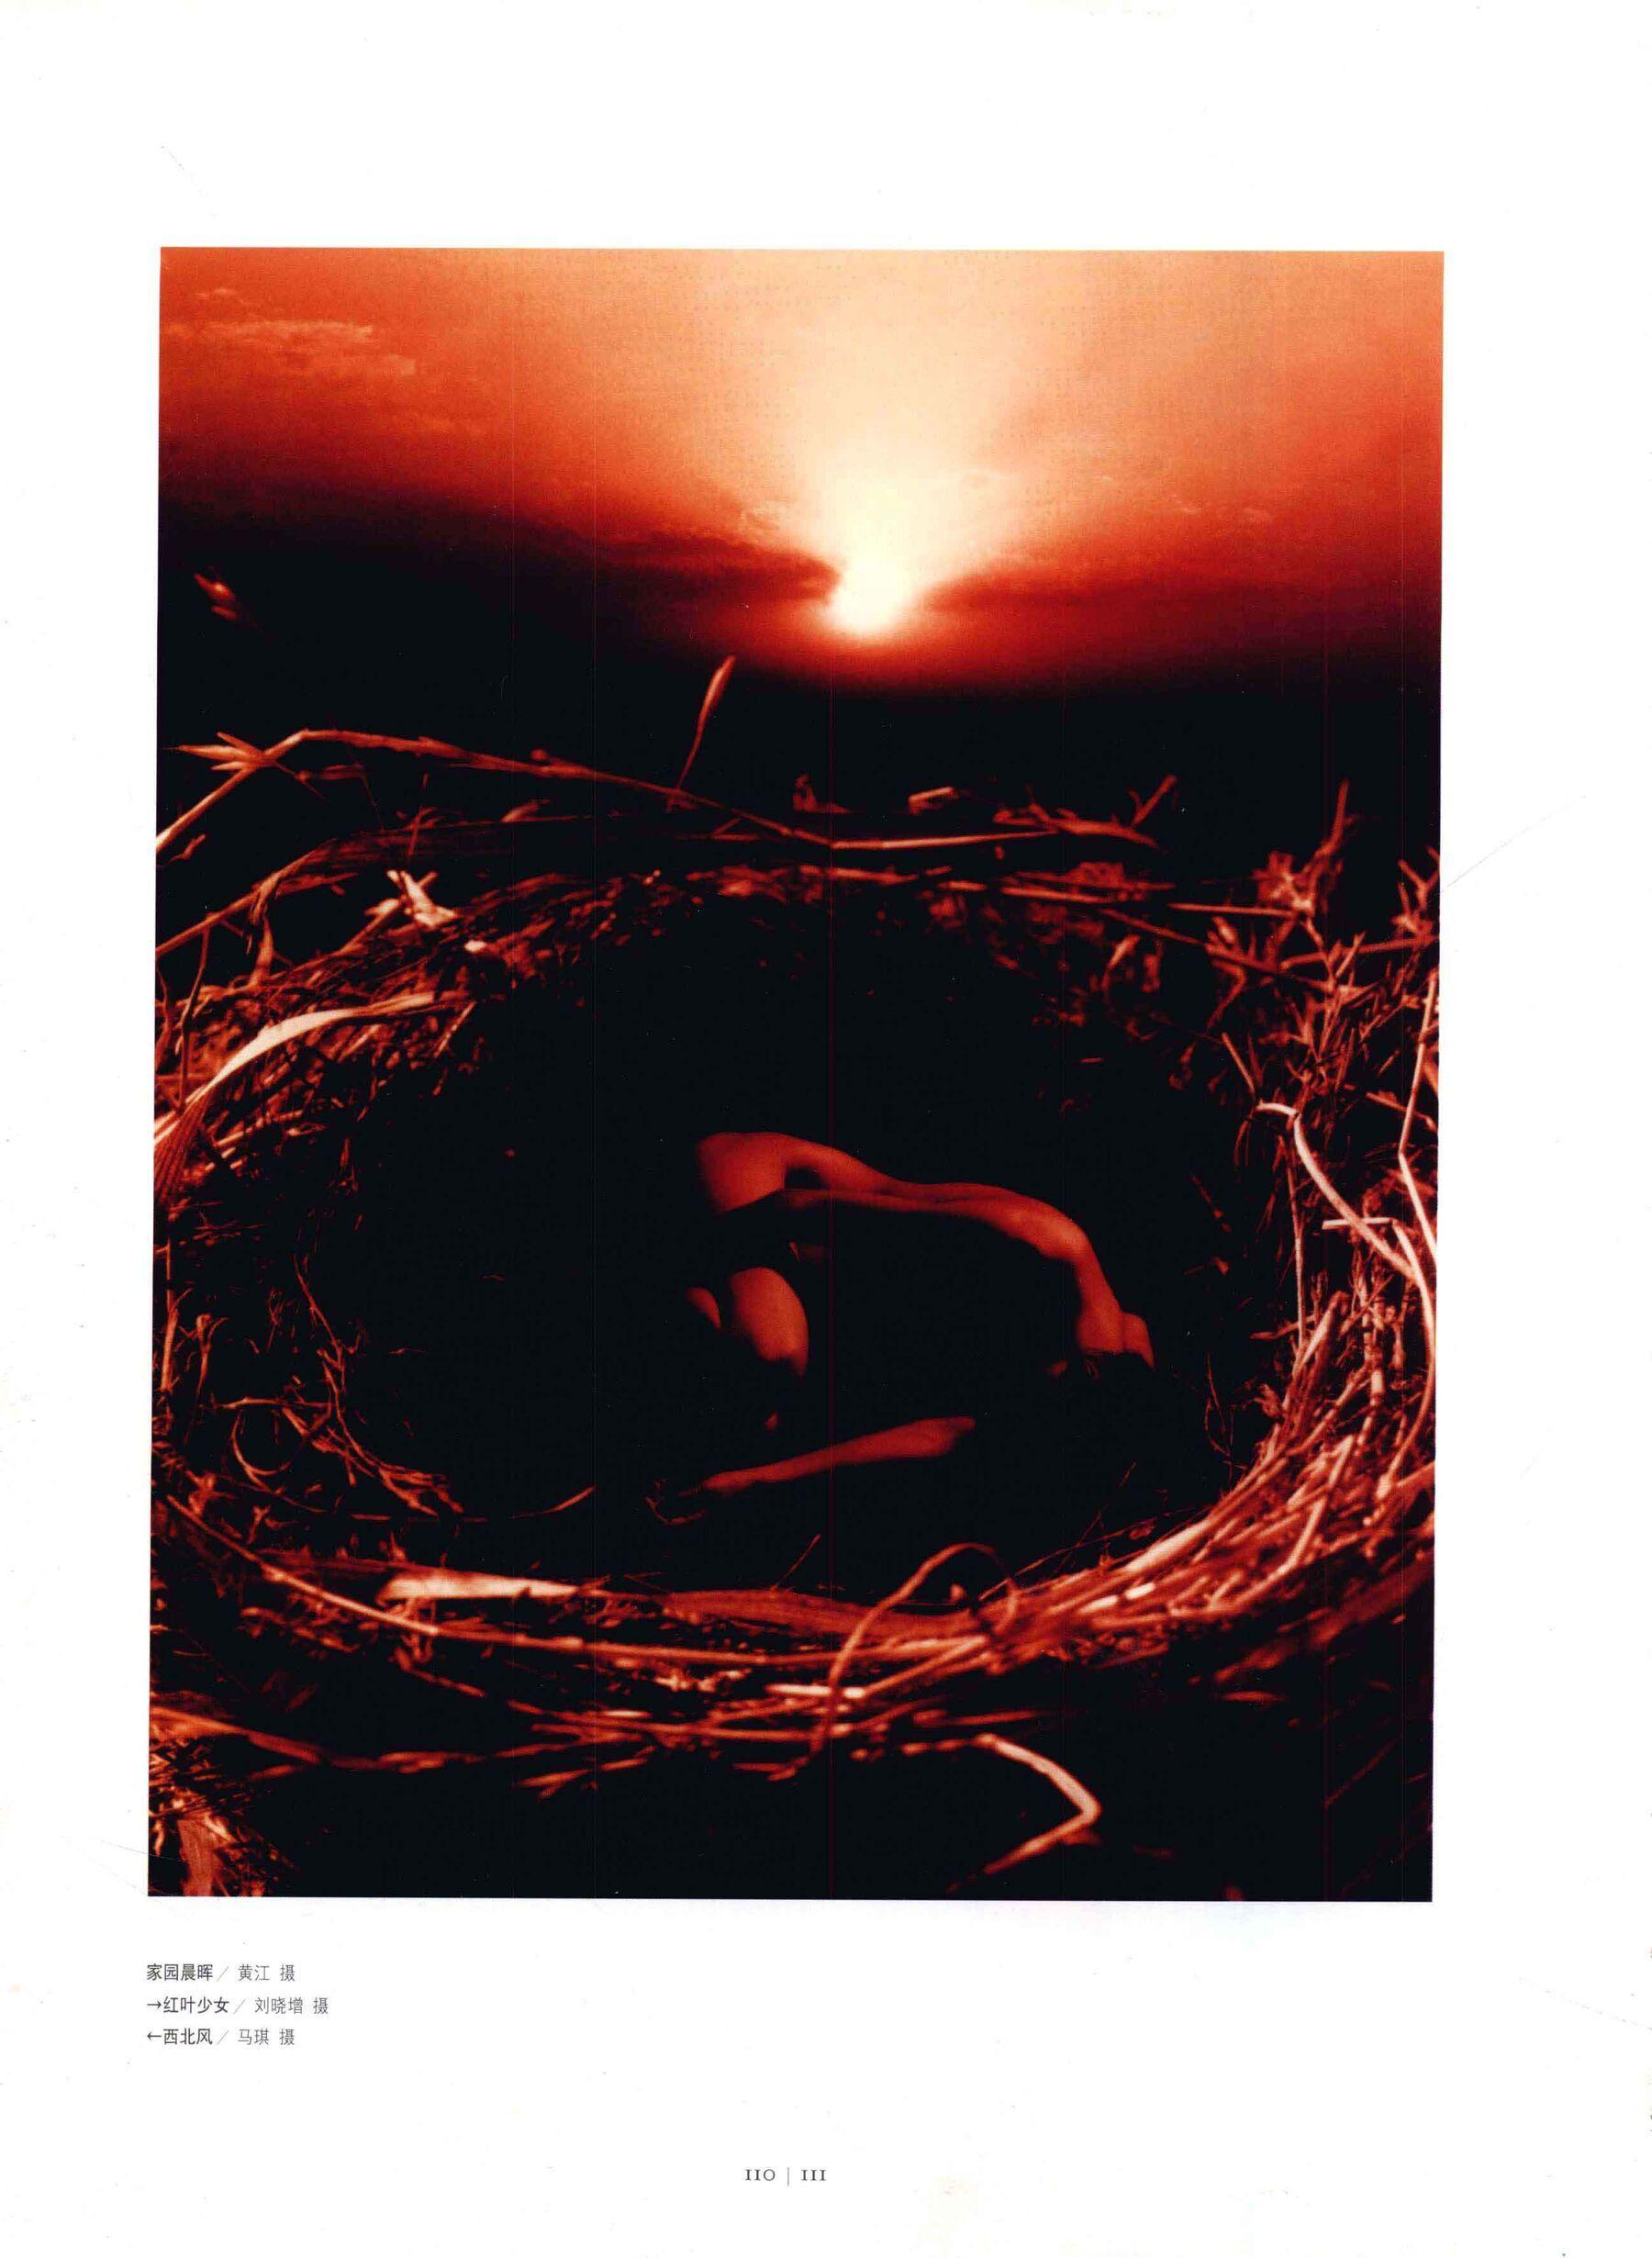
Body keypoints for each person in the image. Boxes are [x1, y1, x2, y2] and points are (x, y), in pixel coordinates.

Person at [654, 1132, 1155, 1525]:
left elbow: (947, 1436)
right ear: (1076, 1364)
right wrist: (697, 1251)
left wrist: (751, 1482)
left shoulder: (1111, 1376)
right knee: (769, 1357)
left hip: (800, 1267)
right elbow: (797, 1210)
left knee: (761, 1432)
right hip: (764, 1188)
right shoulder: (1041, 1248)